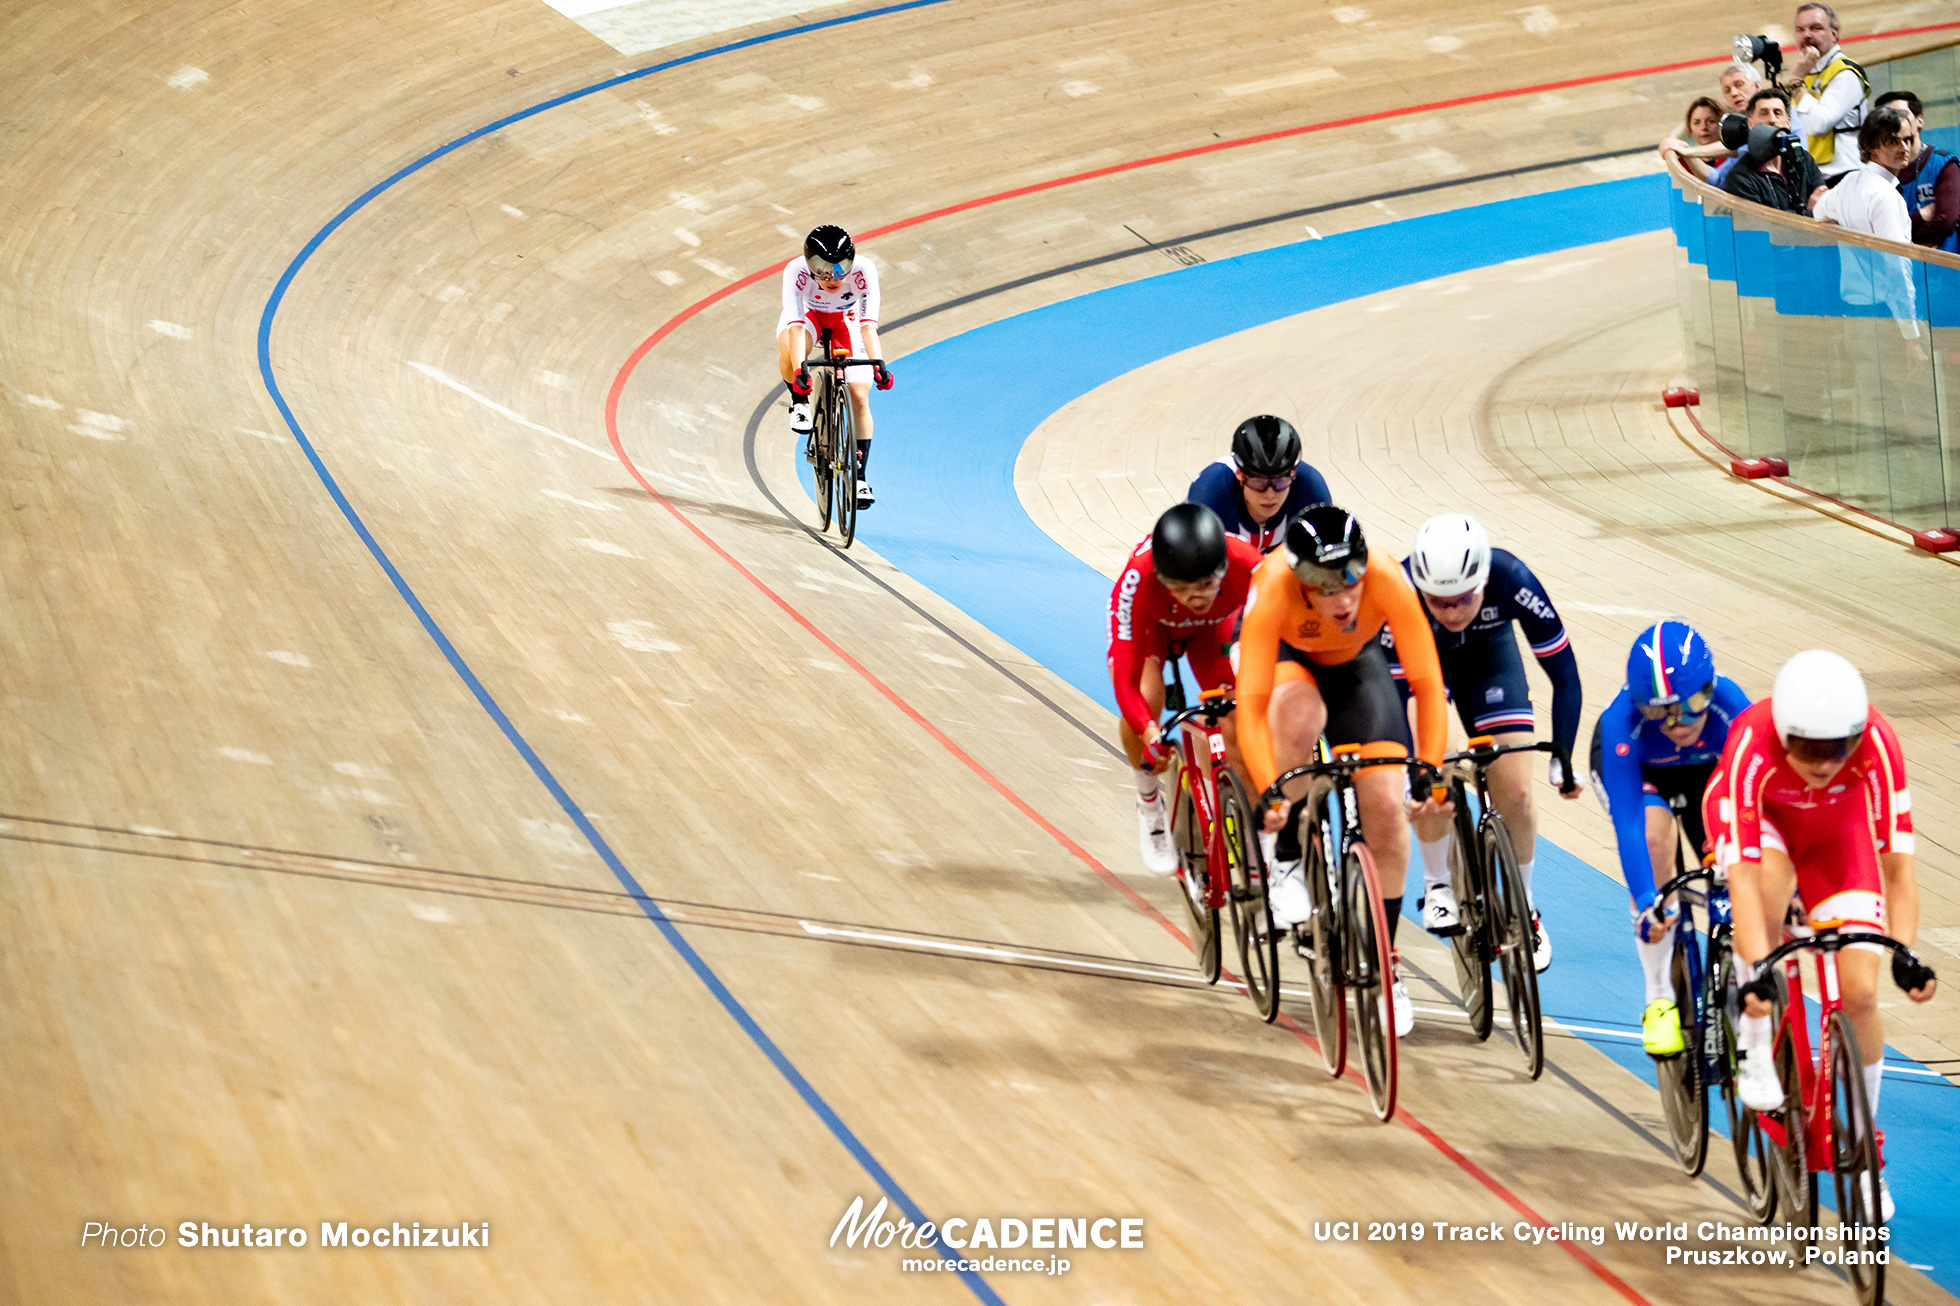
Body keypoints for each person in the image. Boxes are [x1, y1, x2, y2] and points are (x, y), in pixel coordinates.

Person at [1709, 651, 1937, 1223]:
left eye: (1836, 749)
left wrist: (1904, 954)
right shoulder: (1750, 742)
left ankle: (1863, 1159)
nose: (1821, 762)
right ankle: (1756, 1038)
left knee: (1859, 995)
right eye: (1807, 748)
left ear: (1857, 736)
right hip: (1764, 827)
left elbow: (1898, 870)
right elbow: (1740, 876)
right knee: (1765, 900)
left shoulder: (1879, 745)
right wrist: (1755, 973)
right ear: (1783, 733)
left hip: (1837, 838)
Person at [1236, 505, 1450, 1037]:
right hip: (1290, 660)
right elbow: (1251, 704)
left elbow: (1426, 684)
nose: (1344, 596)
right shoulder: (1271, 591)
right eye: (1327, 586)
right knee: (1299, 716)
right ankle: (1286, 855)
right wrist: (1270, 794)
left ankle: (1383, 961)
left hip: (1357, 666)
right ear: (1302, 580)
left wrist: (1429, 769)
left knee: (1386, 809)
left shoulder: (1386, 578)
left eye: (1350, 577)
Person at [1385, 515, 1583, 972]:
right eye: (1439, 602)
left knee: (1514, 790)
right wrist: (1408, 769)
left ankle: (1524, 908)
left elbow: (1565, 674)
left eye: (1463, 600)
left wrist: (1564, 755)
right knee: (1434, 770)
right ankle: (1437, 883)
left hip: (1490, 662)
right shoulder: (1400, 590)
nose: (1453, 612)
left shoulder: (1512, 578)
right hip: (1424, 669)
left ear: (1484, 580)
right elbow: (1392, 695)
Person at [1588, 621, 1751, 1056]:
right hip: (1642, 775)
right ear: (1642, 706)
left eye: (1693, 704)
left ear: (1710, 687)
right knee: (1655, 840)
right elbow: (1628, 825)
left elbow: (1750, 801)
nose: (1680, 724)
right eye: (1661, 712)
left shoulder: (1732, 709)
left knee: (1732, 852)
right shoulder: (1621, 723)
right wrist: (1646, 901)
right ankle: (1658, 996)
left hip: (1707, 775)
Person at [1107, 503, 1263, 874]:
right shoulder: (1136, 580)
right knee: (1147, 696)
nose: (1194, 597)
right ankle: (1149, 802)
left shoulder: (1249, 563)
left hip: (1214, 628)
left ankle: (1259, 851)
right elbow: (1124, 682)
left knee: (1240, 722)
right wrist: (1149, 730)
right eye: (1180, 587)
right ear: (1160, 577)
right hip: (1153, 630)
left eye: (1206, 585)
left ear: (1223, 570)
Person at [777, 225, 893, 509]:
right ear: (809, 263)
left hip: (846, 320)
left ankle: (860, 477)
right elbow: (794, 328)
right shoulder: (796, 271)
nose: (832, 277)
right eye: (822, 268)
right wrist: (799, 374)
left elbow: (868, 326)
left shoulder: (864, 271)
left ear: (851, 260)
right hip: (809, 316)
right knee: (792, 349)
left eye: (841, 267)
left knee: (861, 396)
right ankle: (800, 403)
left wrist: (879, 364)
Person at [1185, 416, 1333, 553]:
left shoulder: (1312, 489)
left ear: (1293, 474)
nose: (1270, 494)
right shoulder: (1210, 492)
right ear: (1240, 474)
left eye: (1279, 482)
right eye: (1258, 482)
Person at [1788, 2, 1869, 180]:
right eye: (1800, 30)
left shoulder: (1845, 73)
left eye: (1815, 28)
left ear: (1834, 33)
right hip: (1812, 178)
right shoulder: (1806, 72)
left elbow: (1818, 123)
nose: (1807, 35)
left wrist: (1796, 81)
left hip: (1845, 177)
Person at [1874, 90, 1960, 250]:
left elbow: (1946, 220)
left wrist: (1906, 234)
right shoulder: (1878, 173)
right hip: (1900, 268)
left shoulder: (1944, 164)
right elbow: (1876, 230)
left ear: (1919, 120)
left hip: (1945, 268)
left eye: (1900, 114)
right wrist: (1922, 216)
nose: (1893, 122)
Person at [1724, 88, 1829, 216]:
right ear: (1750, 124)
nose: (1772, 120)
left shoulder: (1804, 159)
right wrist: (1812, 213)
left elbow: (1825, 205)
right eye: (1764, 113)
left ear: (1788, 122)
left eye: (1777, 113)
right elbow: (1764, 227)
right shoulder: (1740, 177)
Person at [1658, 96, 1731, 184]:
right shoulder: (1683, 160)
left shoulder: (1733, 157)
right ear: (1690, 128)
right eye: (1696, 123)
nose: (1704, 127)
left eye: (1711, 121)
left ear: (1723, 125)